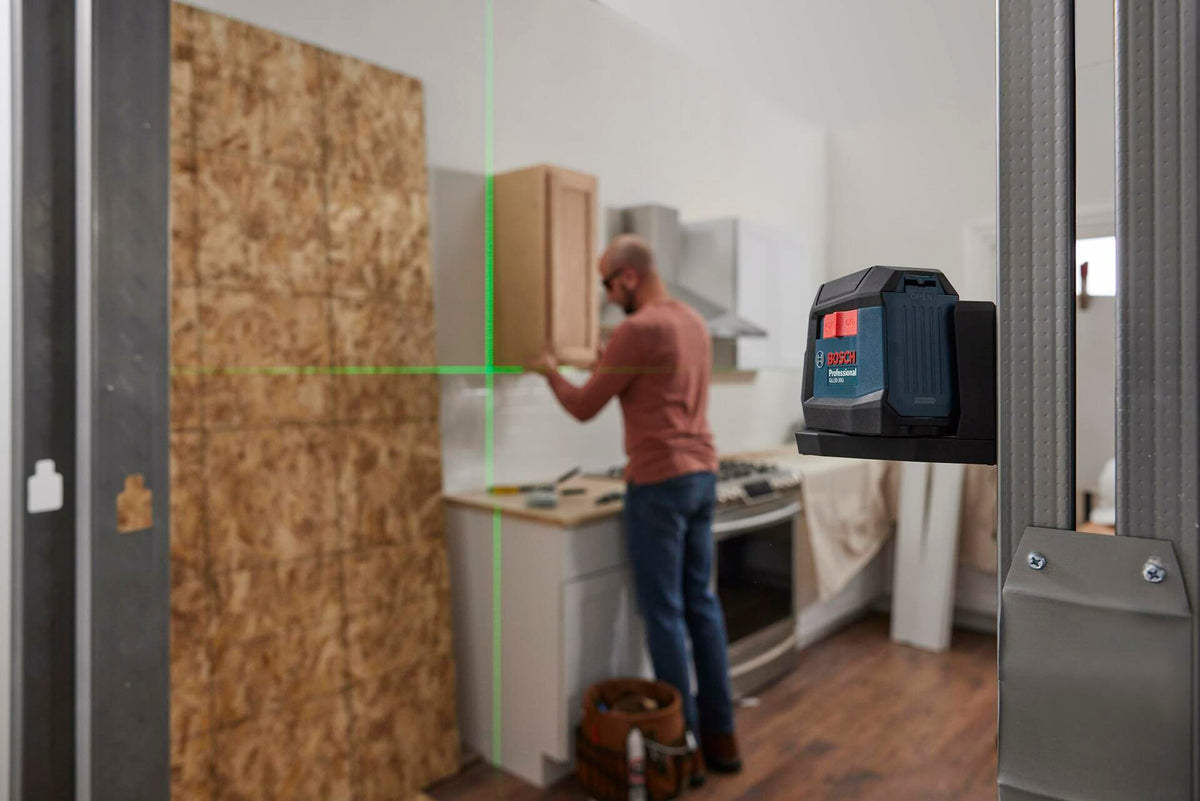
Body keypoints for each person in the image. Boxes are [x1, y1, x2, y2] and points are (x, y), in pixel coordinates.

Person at [529, 234, 741, 778]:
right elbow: (650, 382)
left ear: (627, 277)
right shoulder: (691, 322)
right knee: (702, 606)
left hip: (660, 483)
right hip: (701, 475)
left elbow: (582, 406)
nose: (606, 294)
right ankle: (722, 741)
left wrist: (548, 368)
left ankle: (683, 752)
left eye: (606, 282)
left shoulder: (638, 329)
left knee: (665, 615)